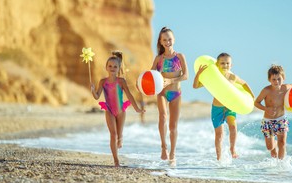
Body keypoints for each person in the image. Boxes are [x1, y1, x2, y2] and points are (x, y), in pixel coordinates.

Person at [193, 53, 254, 160]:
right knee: (219, 134)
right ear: (217, 64)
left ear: (231, 65)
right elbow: (195, 86)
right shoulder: (214, 76)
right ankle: (219, 157)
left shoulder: (232, 77)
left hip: (229, 107)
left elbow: (244, 83)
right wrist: (198, 74)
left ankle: (232, 149)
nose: (225, 65)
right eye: (222, 63)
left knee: (233, 127)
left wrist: (252, 95)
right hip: (217, 108)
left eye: (227, 63)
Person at [91, 51, 144, 167]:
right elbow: (97, 96)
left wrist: (137, 109)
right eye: (110, 66)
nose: (112, 68)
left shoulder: (121, 81)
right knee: (113, 134)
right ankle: (116, 160)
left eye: (115, 66)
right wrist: (93, 90)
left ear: (119, 68)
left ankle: (121, 138)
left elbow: (129, 95)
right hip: (109, 110)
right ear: (106, 67)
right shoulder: (103, 82)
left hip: (121, 112)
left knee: (119, 136)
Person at [254, 64, 292, 159]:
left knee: (282, 142)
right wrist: (266, 109)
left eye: (279, 79)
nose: (276, 82)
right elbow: (256, 102)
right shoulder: (266, 90)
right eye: (274, 79)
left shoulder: (286, 88)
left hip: (281, 119)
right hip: (268, 121)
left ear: (283, 78)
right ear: (269, 80)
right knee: (270, 147)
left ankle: (281, 166)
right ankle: (273, 146)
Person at [151, 27, 188, 166]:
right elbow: (150, 76)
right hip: (162, 92)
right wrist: (141, 84)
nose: (167, 42)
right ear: (160, 42)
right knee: (163, 116)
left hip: (176, 94)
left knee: (173, 127)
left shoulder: (180, 57)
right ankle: (163, 146)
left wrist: (171, 81)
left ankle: (173, 154)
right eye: (164, 40)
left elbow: (185, 76)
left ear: (174, 40)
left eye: (170, 39)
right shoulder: (159, 59)